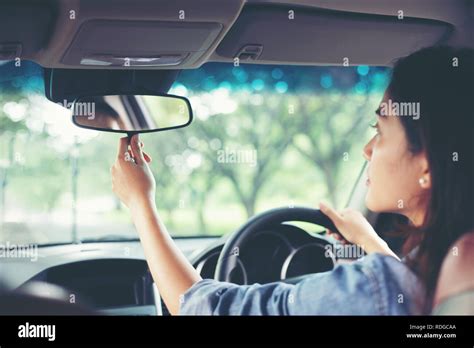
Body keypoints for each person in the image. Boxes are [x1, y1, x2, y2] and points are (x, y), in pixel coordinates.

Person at [110, 46, 473, 315]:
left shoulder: (370, 290)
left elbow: (206, 309)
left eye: (379, 131)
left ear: (427, 165)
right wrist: (367, 240)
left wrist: (141, 203)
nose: (366, 149)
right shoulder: (450, 272)